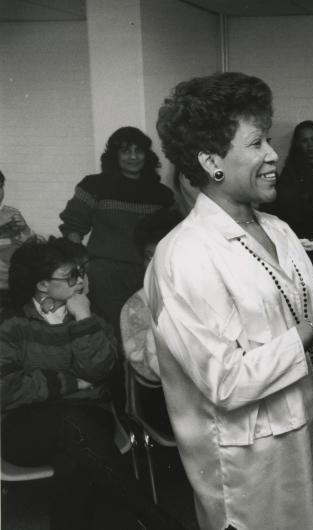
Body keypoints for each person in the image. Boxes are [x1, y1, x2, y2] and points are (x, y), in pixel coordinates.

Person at [152, 71, 313, 530]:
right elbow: (225, 382)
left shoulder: (278, 230)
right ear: (211, 161)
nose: (273, 154)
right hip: (253, 479)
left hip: (311, 443)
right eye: (256, 142)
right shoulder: (184, 256)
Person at [0, 237, 182, 530]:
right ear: (42, 284)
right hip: (26, 429)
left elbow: (99, 371)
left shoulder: (92, 321)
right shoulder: (11, 326)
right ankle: (157, 520)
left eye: (81, 273)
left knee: (72, 460)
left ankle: (157, 522)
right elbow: (6, 388)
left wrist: (83, 317)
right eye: (71, 276)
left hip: (90, 421)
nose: (81, 281)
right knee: (70, 428)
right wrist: (72, 382)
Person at [58, 126, 175, 335]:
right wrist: (80, 268)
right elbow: (73, 228)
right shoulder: (94, 185)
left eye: (138, 151)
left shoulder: (162, 193)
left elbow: (170, 236)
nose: (133, 157)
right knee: (111, 332)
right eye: (125, 151)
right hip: (104, 276)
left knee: (147, 333)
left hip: (148, 275)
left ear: (147, 155)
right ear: (114, 155)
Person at [263, 120, 313, 297]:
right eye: (304, 140)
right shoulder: (291, 171)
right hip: (307, 243)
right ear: (297, 144)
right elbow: (286, 209)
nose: (310, 145)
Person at [120, 208, 182, 433]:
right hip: (163, 399)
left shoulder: (203, 294)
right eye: (149, 257)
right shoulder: (135, 305)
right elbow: (146, 372)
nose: (156, 265)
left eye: (164, 256)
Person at [0, 169, 34, 305]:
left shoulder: (11, 212)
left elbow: (31, 245)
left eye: (0, 186)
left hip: (12, 282)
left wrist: (24, 229)